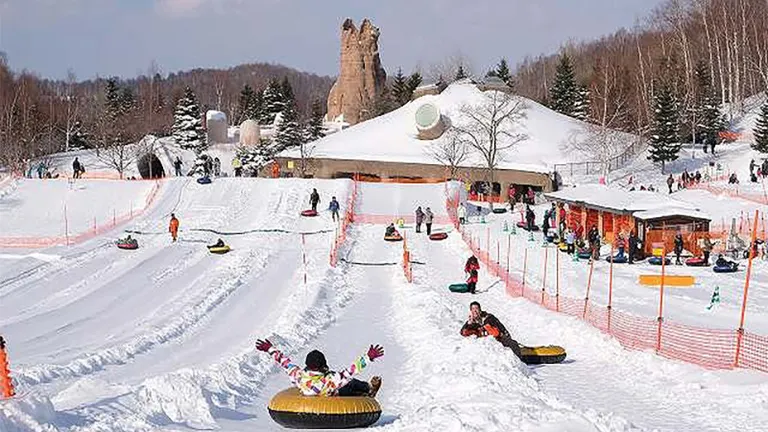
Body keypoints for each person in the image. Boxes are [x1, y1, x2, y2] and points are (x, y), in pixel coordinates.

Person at [254, 339, 384, 397]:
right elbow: (350, 371)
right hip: (332, 395)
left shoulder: (298, 376)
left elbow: (284, 362)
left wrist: (270, 349)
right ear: (323, 366)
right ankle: (368, 389)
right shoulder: (330, 380)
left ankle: (364, 391)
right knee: (349, 383)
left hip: (309, 393)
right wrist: (368, 357)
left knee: (343, 383)